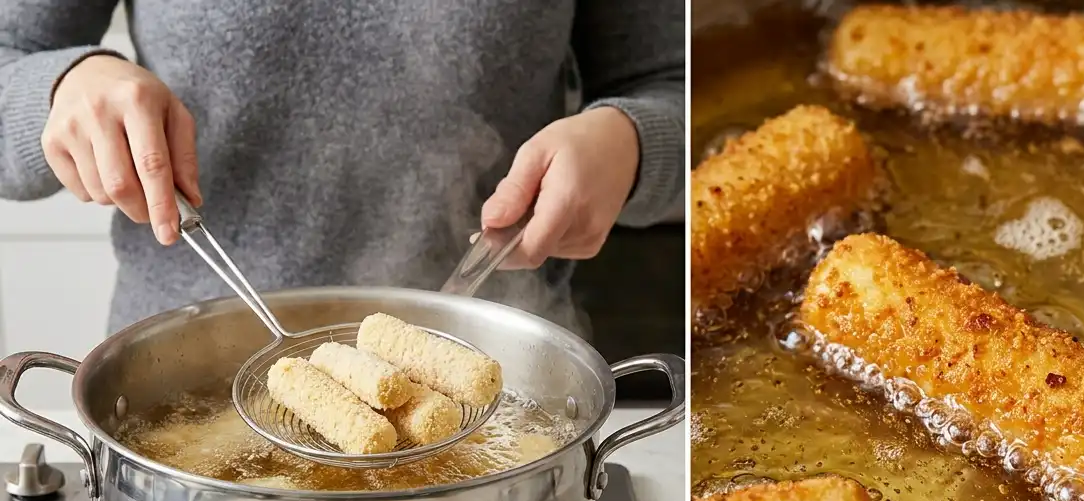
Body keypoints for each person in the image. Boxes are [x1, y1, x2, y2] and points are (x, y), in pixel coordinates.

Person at [0, 2, 683, 332]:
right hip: (181, 388)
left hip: (498, 378)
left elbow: (678, 84)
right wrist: (60, 88)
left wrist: (629, 143)